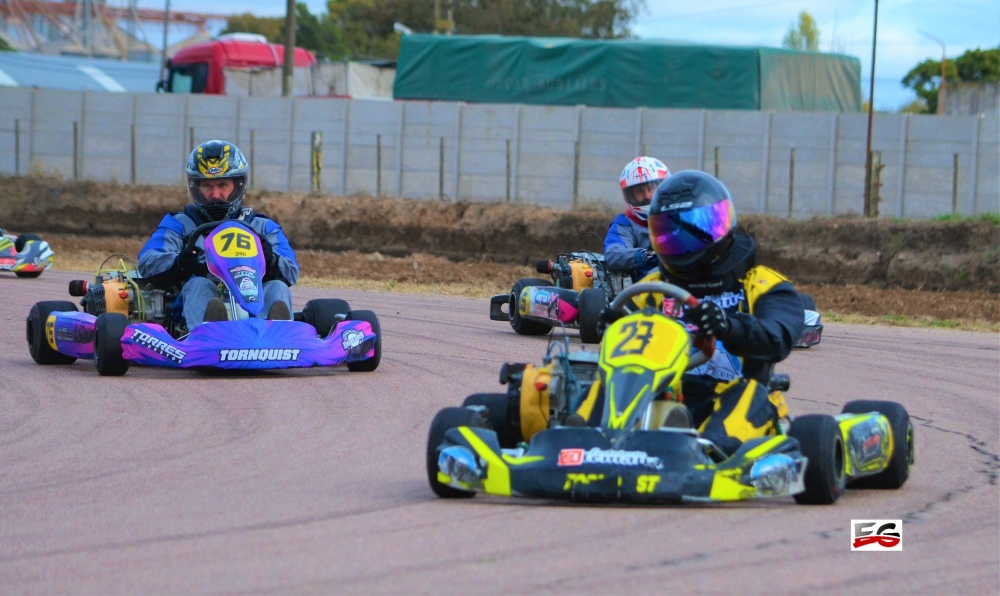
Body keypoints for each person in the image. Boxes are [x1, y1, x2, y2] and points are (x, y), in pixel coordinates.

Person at [605, 170, 804, 455]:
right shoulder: (653, 287)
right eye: (672, 234)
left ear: (721, 224)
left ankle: (705, 452)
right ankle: (580, 440)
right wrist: (609, 324)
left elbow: (778, 336)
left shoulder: (760, 283)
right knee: (600, 383)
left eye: (697, 229)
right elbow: (623, 338)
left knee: (750, 394)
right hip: (664, 395)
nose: (685, 243)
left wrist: (728, 326)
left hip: (734, 396)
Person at [138, 140, 299, 329]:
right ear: (195, 187)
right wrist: (180, 264)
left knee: (277, 287)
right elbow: (147, 261)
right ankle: (210, 331)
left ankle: (273, 333)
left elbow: (291, 270)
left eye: (223, 185)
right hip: (191, 308)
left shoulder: (262, 226)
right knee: (199, 285)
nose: (215, 195)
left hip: (252, 301)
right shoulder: (179, 224)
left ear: (238, 185)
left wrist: (270, 259)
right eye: (207, 186)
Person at [603, 156, 671, 282]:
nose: (647, 196)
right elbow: (614, 254)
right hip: (648, 288)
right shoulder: (624, 224)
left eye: (651, 188)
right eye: (640, 192)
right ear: (630, 195)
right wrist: (646, 256)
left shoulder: (679, 214)